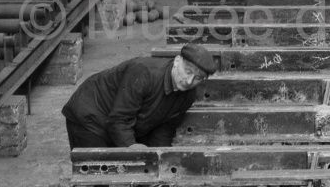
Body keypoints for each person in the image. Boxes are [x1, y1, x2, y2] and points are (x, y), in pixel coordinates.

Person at [62, 44, 220, 150]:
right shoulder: (143, 72)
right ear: (177, 61)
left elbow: (163, 131)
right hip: (90, 113)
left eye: (198, 78)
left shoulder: (188, 95)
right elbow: (119, 119)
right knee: (96, 182)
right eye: (188, 71)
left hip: (119, 121)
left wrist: (159, 159)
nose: (189, 81)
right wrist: (133, 148)